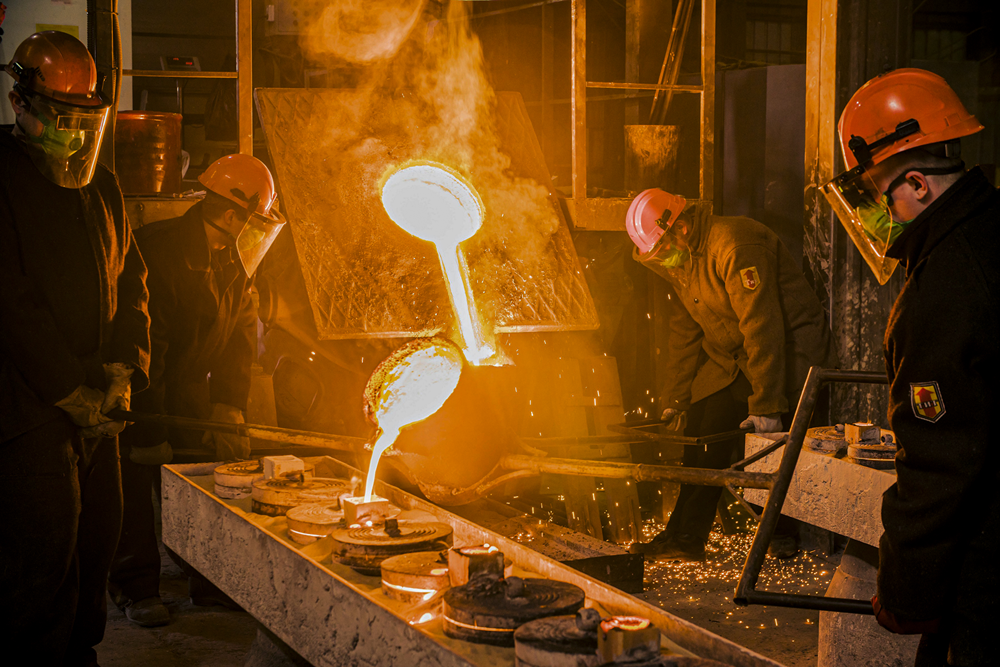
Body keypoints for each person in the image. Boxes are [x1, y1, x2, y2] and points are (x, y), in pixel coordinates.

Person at [826, 68, 997, 667]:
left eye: (878, 195)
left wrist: (907, 589)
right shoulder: (989, 232)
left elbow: (941, 461)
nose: (877, 213)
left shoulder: (945, 286)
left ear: (919, 184)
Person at [0, 32, 151, 665]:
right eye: (61, 116)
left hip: (95, 404)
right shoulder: (2, 179)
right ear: (22, 102)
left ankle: (79, 654)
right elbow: (11, 299)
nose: (73, 132)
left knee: (96, 541)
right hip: (27, 407)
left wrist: (126, 368)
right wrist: (70, 389)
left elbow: (132, 281)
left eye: (85, 117)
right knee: (42, 558)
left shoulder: (102, 186)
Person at [108, 153, 285, 626]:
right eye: (254, 219)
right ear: (231, 214)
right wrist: (148, 429)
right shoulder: (160, 253)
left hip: (187, 388)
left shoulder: (234, 257)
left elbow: (240, 340)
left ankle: (209, 583)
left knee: (199, 483)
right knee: (134, 488)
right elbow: (151, 345)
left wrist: (229, 407)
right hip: (140, 388)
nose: (257, 231)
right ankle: (136, 586)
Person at [625, 188, 838, 561]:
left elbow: (763, 325)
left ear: (683, 228)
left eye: (664, 251)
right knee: (702, 429)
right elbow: (684, 331)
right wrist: (676, 399)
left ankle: (779, 531)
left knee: (760, 440)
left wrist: (768, 404)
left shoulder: (734, 245)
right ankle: (684, 537)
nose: (665, 261)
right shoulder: (684, 260)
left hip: (788, 350)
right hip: (733, 354)